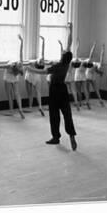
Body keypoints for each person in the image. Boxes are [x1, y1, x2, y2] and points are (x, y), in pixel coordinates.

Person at [29, 22, 77, 151]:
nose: (62, 52)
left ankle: (56, 137)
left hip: (55, 90)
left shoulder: (57, 67)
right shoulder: (66, 64)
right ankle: (72, 134)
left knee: (54, 114)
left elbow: (42, 72)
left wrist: (30, 69)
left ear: (63, 56)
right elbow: (69, 44)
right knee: (67, 114)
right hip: (63, 90)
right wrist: (71, 30)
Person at [0, 34, 25, 119]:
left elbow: (0, 66)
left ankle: (11, 111)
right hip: (14, 79)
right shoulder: (20, 65)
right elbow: (21, 52)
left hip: (8, 79)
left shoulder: (10, 65)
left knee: (9, 96)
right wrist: (21, 41)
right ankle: (20, 109)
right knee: (17, 94)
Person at [23, 35, 46, 116]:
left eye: (41, 61)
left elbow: (24, 63)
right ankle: (39, 106)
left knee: (31, 93)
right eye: (41, 61)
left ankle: (30, 107)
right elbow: (43, 51)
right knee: (38, 93)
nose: (41, 60)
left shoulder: (33, 62)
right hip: (36, 77)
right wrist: (43, 41)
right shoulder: (40, 62)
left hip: (30, 77)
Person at [85, 43, 106, 107]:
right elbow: (101, 58)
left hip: (88, 76)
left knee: (88, 89)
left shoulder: (92, 63)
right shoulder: (95, 64)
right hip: (91, 77)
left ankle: (88, 101)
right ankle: (100, 100)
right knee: (96, 89)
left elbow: (91, 54)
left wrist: (94, 46)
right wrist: (103, 49)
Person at [72, 39, 91, 110]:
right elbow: (90, 56)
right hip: (83, 77)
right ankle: (87, 102)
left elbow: (77, 53)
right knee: (85, 90)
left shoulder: (79, 62)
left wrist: (78, 45)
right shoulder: (84, 63)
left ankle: (80, 102)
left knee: (79, 90)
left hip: (77, 77)